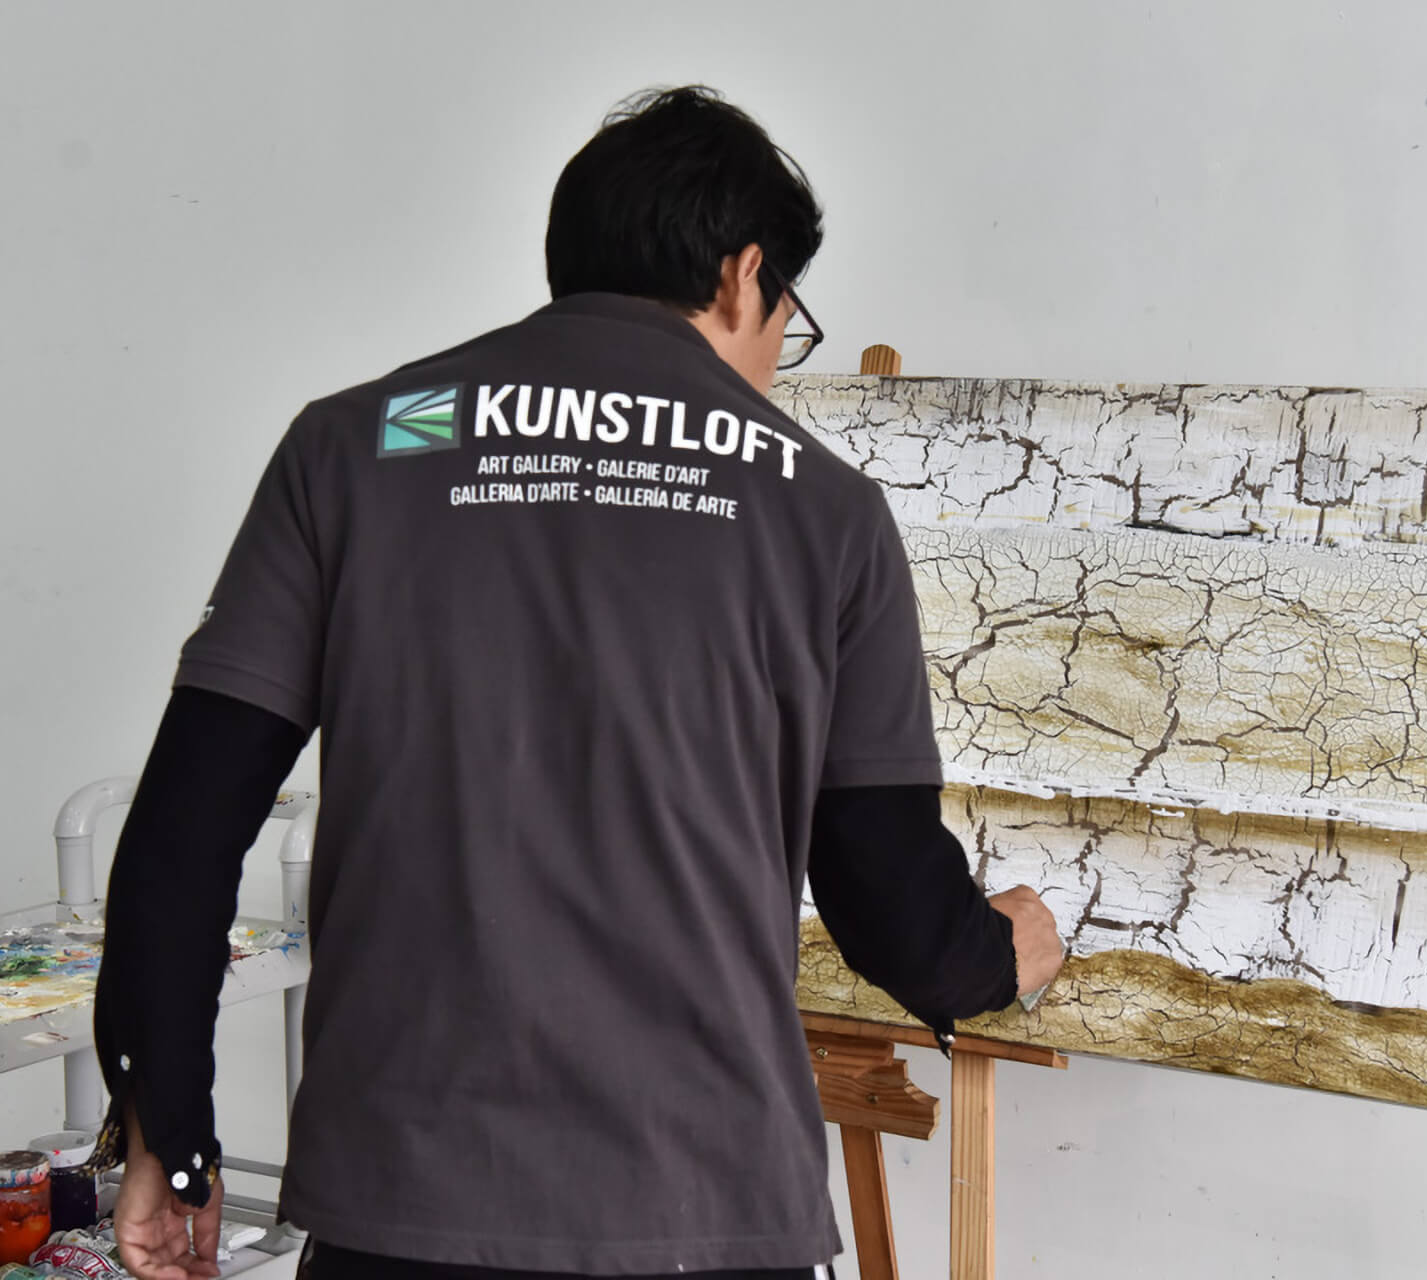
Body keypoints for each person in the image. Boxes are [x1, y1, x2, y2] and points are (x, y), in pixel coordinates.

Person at [87, 85, 1064, 1280]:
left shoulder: (360, 445)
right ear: (741, 275)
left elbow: (183, 833)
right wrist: (996, 955)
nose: (775, 361)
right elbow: (888, 896)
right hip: (704, 1207)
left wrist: (169, 1132)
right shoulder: (824, 508)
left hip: (400, 1208)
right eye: (786, 321)